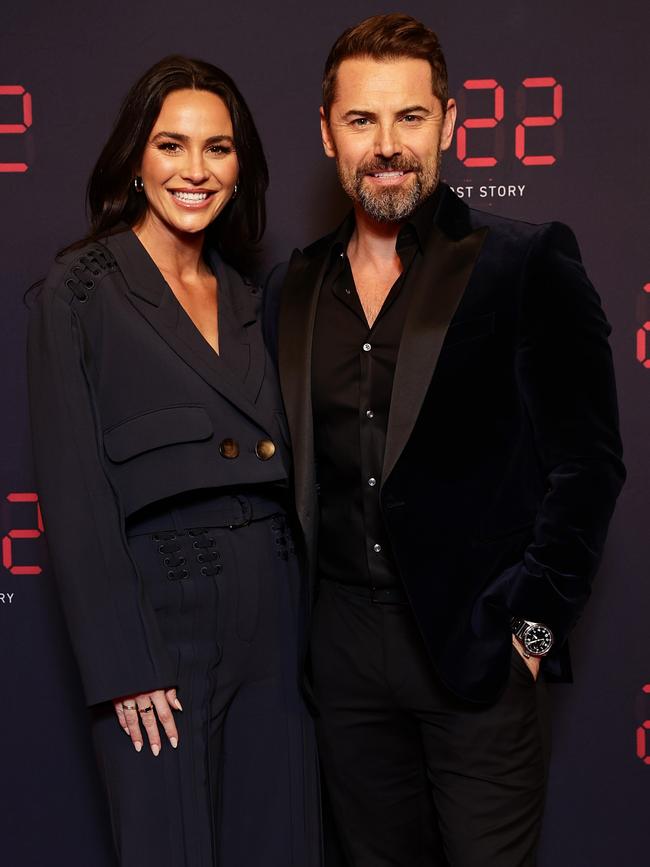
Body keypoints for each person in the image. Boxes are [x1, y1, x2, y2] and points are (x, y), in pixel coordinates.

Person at [265, 13, 625, 867]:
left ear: (450, 123)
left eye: (409, 117)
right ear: (327, 133)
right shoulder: (293, 286)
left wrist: (530, 634)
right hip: (342, 657)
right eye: (361, 120)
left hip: (476, 653)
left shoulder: (526, 260)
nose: (387, 145)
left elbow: (590, 467)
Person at [28, 55, 321, 867]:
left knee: (279, 844)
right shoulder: (78, 291)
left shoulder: (250, 297)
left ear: (241, 165)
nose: (196, 170)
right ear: (136, 158)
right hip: (160, 618)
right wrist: (124, 664)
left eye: (218, 148)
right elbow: (74, 487)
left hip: (275, 608)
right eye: (172, 144)